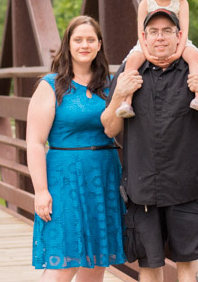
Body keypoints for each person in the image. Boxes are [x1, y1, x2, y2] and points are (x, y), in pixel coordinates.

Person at [101, 9, 198, 282]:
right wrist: (119, 95)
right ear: (144, 37)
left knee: (187, 262)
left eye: (167, 31)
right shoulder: (129, 72)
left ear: (179, 36)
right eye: (153, 32)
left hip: (187, 186)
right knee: (149, 265)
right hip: (142, 188)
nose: (160, 37)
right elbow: (110, 128)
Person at [26, 15, 126, 281]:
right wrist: (41, 191)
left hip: (104, 177)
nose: (84, 45)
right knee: (64, 261)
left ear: (99, 45)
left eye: (90, 40)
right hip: (65, 179)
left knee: (95, 262)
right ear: (68, 45)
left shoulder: (112, 84)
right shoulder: (51, 85)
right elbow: (35, 142)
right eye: (78, 39)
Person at [115, 0, 198, 119]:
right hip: (148, 42)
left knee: (194, 56)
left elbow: (184, 30)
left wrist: (178, 53)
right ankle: (126, 101)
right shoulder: (145, 3)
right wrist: (147, 53)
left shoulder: (181, 2)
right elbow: (141, 32)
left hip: (178, 40)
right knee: (132, 61)